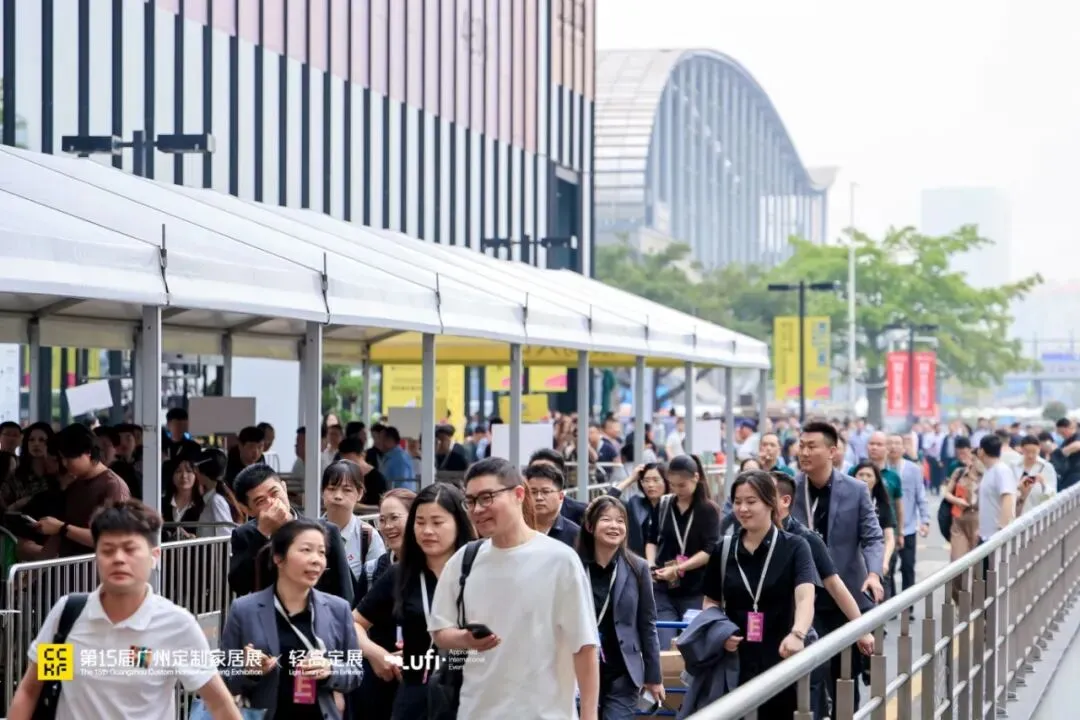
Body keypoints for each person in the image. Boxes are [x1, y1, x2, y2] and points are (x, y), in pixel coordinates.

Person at [7, 499, 241, 720]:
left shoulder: (175, 625)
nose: (118, 559)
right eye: (108, 550)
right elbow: (32, 689)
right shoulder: (70, 616)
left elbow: (219, 703)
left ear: (154, 556)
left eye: (130, 549)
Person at [428, 457, 600, 720]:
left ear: (519, 494)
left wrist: (589, 716)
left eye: (487, 497)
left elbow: (584, 647)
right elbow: (440, 630)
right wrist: (465, 639)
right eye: (471, 501)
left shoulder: (560, 560)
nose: (478, 509)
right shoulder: (465, 560)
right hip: (476, 712)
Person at [354, 483, 477, 718]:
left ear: (458, 523)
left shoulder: (478, 569)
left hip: (472, 694)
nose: (427, 530)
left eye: (437, 522)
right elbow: (353, 623)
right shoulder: (400, 573)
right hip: (416, 698)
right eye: (420, 522)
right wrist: (376, 654)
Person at [220, 518, 363, 719]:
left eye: (321, 552)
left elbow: (355, 671)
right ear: (279, 558)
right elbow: (223, 676)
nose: (316, 559)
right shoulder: (244, 610)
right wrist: (248, 670)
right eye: (306, 550)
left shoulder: (338, 609)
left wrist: (329, 670)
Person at [701, 470, 816, 718]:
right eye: (738, 502)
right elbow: (710, 601)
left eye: (751, 501)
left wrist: (798, 633)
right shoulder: (723, 549)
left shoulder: (795, 546)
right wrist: (719, 631)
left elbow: (805, 596)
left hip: (782, 657)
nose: (743, 509)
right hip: (735, 660)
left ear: (770, 503)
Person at [789, 422, 885, 714]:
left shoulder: (855, 490)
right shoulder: (790, 489)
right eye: (801, 445)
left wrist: (873, 573)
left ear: (832, 451)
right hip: (805, 597)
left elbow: (872, 537)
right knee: (811, 673)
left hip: (845, 596)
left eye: (811, 446)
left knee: (845, 674)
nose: (804, 452)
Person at [577, 496, 664, 719]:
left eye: (620, 521)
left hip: (623, 672)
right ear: (590, 526)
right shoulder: (572, 566)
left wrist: (654, 677)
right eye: (606, 519)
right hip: (578, 671)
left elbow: (647, 624)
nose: (615, 526)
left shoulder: (638, 568)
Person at [227, 465, 353, 603]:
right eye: (261, 501)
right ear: (248, 510)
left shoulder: (327, 531)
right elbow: (239, 585)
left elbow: (345, 591)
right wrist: (262, 533)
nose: (272, 503)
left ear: (284, 488)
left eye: (274, 493)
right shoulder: (246, 535)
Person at [352, 488, 416, 720]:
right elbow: (354, 622)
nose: (388, 526)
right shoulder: (373, 571)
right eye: (382, 519)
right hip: (377, 677)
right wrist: (376, 655)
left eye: (395, 518)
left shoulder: (434, 569)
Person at [645, 455, 720, 650]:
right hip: (663, 587)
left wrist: (679, 568)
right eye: (673, 485)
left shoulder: (708, 510)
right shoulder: (663, 505)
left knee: (690, 644)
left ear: (696, 478)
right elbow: (651, 540)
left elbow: (709, 550)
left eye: (682, 485)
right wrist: (652, 564)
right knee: (663, 641)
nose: (677, 490)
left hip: (695, 589)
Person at [320, 460, 386, 588]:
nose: (338, 496)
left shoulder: (368, 536)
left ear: (360, 493)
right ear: (323, 492)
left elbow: (377, 588)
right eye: (332, 489)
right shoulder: (309, 532)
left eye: (347, 490)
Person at [606, 462, 669, 556]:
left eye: (656, 480)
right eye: (646, 480)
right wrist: (630, 479)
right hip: (638, 561)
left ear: (666, 481)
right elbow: (606, 502)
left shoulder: (673, 505)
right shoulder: (635, 504)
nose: (650, 485)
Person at [850, 462, 897, 579]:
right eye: (860, 474)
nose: (864, 478)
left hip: (877, 558)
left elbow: (889, 538)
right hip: (852, 561)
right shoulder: (846, 503)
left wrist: (884, 562)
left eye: (869, 475)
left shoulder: (883, 504)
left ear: (876, 480)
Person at [943, 462, 982, 603]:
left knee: (979, 566)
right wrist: (956, 500)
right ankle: (959, 600)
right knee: (957, 562)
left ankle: (975, 603)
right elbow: (947, 492)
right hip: (959, 519)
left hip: (980, 520)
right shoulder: (960, 472)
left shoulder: (990, 474)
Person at [523, 462, 581, 548]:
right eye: (533, 492)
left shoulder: (576, 534)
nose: (539, 498)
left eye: (545, 492)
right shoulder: (518, 529)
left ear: (561, 497)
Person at [528, 448, 587, 524]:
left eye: (548, 471)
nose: (541, 474)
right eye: (536, 470)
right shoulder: (518, 512)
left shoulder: (580, 512)